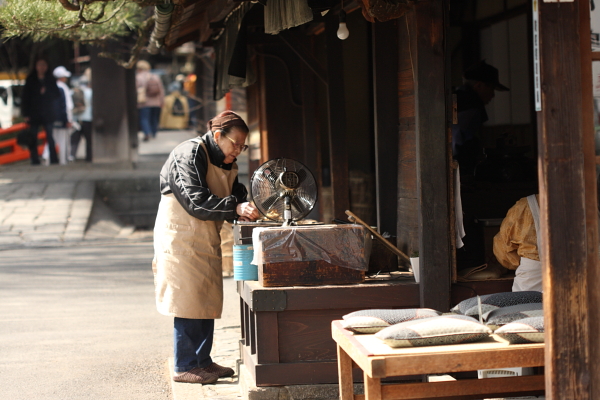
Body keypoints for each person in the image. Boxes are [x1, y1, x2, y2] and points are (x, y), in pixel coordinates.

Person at [152, 110, 259, 384]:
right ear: (217, 135)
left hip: (205, 235)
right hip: (180, 236)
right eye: (235, 143)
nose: (238, 150)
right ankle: (184, 365)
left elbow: (235, 193)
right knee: (188, 299)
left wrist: (244, 208)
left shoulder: (226, 160)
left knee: (206, 298)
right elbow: (195, 200)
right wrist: (234, 206)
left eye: (242, 146)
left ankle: (203, 361)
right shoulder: (188, 153)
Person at [452, 60, 509, 179]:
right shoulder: (471, 106)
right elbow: (458, 143)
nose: (493, 95)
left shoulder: (455, 97)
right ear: (478, 86)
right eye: (492, 89)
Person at [493, 194, 542, 292]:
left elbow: (502, 248)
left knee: (528, 307)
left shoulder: (525, 206)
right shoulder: (580, 202)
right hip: (575, 275)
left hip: (532, 279)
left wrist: (519, 262)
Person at [21, 58, 60, 165]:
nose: (42, 67)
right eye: (39, 65)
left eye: (44, 65)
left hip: (48, 113)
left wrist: (46, 92)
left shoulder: (50, 79)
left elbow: (56, 94)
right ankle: (34, 159)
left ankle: (54, 159)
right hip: (34, 113)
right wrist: (26, 113)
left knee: (50, 137)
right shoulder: (31, 79)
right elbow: (25, 97)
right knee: (33, 137)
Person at [136, 60, 164, 141]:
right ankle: (154, 133)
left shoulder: (139, 77)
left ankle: (147, 133)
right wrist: (162, 101)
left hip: (144, 102)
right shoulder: (155, 76)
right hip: (156, 102)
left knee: (144, 118)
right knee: (154, 118)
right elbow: (161, 90)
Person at [51, 66, 73, 165]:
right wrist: (68, 119)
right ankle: (63, 160)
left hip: (53, 118)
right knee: (63, 140)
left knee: (53, 139)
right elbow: (66, 105)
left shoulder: (53, 87)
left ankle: (46, 156)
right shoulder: (63, 88)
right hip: (62, 117)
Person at [70, 71, 93, 162]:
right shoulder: (90, 92)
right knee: (89, 140)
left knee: (75, 139)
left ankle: (72, 156)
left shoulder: (72, 92)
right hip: (88, 118)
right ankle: (89, 157)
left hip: (76, 118)